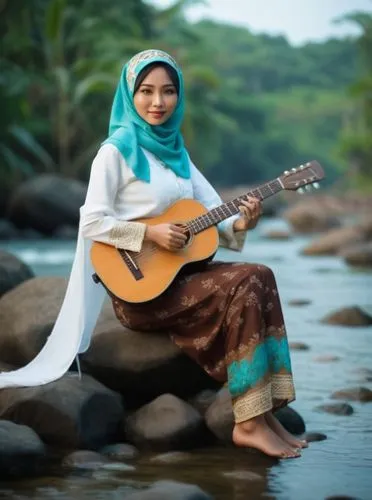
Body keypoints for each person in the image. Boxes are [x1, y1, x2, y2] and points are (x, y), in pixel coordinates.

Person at [0, 49, 306, 458]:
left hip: (179, 280)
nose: (157, 102)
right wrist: (151, 234)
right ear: (130, 94)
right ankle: (247, 423)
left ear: (179, 97)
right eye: (146, 91)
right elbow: (91, 223)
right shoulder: (114, 153)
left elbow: (216, 220)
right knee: (247, 280)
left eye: (167, 92)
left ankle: (263, 411)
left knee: (261, 273)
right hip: (139, 292)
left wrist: (242, 223)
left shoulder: (178, 156)